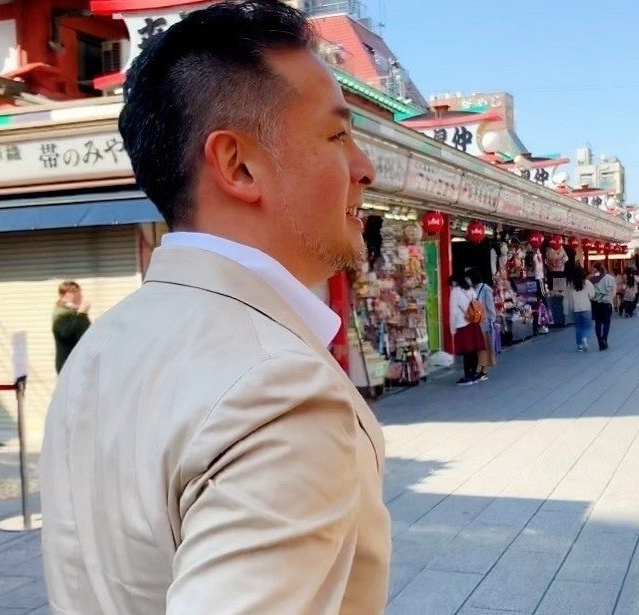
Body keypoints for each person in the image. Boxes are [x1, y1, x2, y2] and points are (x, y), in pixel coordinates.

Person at [39, 3, 390, 613]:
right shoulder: (278, 390)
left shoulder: (100, 347)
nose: (366, 168)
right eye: (338, 135)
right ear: (238, 165)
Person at [449, 274, 485, 385]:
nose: (451, 286)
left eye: (451, 283)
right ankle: (473, 375)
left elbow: (453, 311)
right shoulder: (470, 290)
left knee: (467, 352)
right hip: (474, 323)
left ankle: (467, 377)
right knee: (473, 351)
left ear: (455, 282)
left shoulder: (455, 291)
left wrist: (452, 327)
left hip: (463, 324)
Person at [52, 280, 90, 374]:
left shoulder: (75, 313)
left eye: (78, 291)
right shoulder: (60, 314)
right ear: (62, 296)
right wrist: (81, 314)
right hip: (69, 368)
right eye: (73, 292)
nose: (78, 294)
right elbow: (66, 333)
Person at [465, 268, 497, 380]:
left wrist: (492, 321)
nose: (466, 280)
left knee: (484, 348)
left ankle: (484, 371)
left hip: (484, 323)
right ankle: (480, 369)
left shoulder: (485, 289)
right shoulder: (471, 289)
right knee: (478, 349)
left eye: (468, 278)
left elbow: (490, 307)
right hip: (475, 324)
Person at [590, 262, 616, 351]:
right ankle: (604, 340)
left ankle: (600, 340)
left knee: (598, 323)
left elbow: (591, 292)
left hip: (596, 304)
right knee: (606, 323)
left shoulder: (592, 279)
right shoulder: (610, 278)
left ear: (595, 268)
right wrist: (609, 298)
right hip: (606, 304)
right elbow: (613, 292)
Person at [570, 267, 596, 352]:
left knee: (578, 327)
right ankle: (585, 338)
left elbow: (568, 296)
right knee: (587, 326)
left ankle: (579, 345)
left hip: (575, 308)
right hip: (586, 307)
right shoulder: (587, 283)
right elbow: (592, 295)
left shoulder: (571, 284)